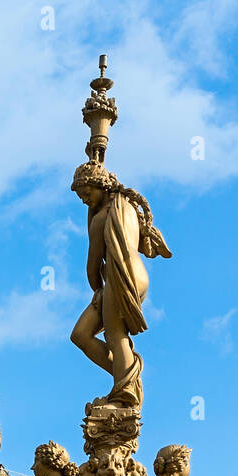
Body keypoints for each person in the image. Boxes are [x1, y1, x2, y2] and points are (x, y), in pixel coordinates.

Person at [68, 159, 171, 408]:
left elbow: (92, 266)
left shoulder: (101, 217)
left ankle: (126, 394)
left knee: (115, 334)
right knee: (81, 335)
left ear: (100, 186)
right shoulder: (125, 206)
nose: (83, 199)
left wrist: (98, 290)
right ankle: (126, 377)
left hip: (119, 276)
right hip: (138, 276)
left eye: (86, 193)